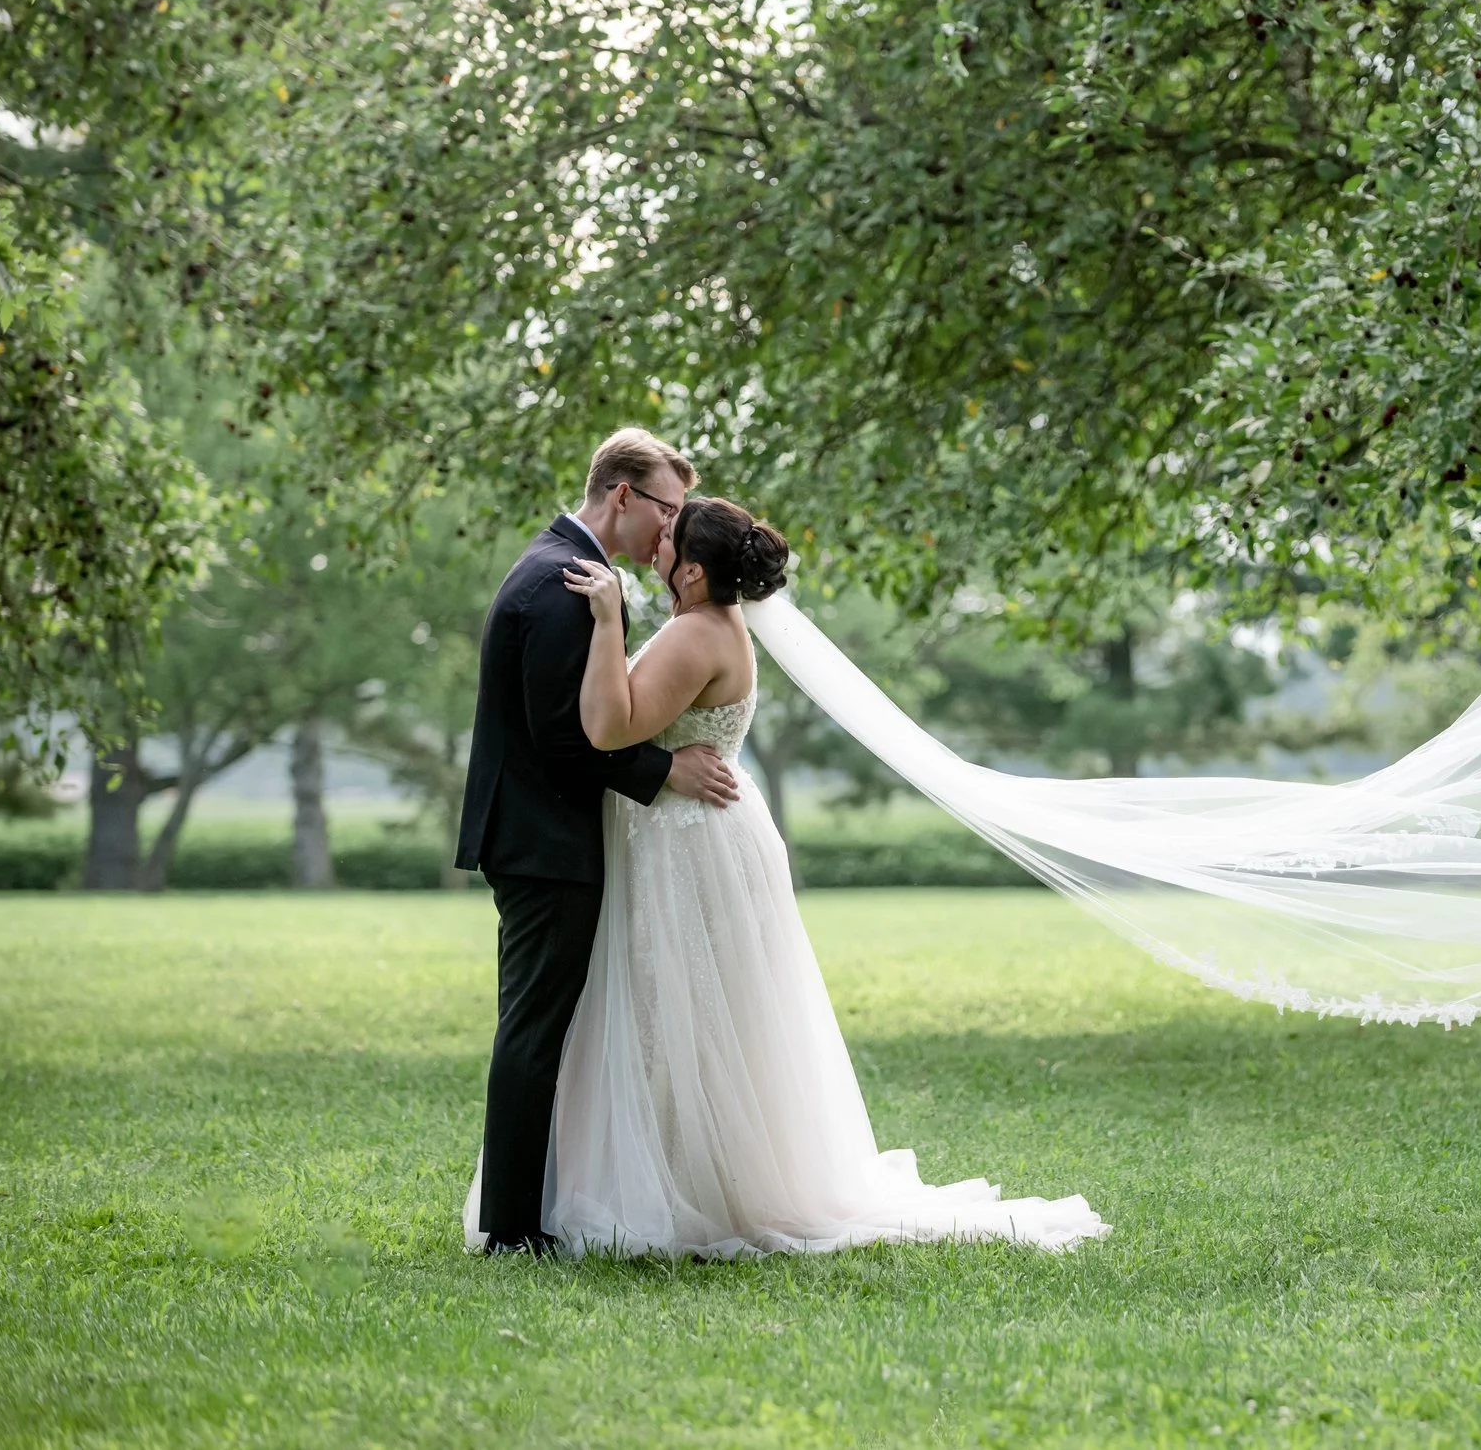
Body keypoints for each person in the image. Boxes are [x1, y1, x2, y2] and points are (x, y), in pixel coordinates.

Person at [464, 493, 1108, 1257]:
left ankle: (689, 1189)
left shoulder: (692, 635)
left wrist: (607, 626)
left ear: (694, 574)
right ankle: (679, 1176)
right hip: (700, 833)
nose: (655, 545)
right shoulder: (715, 624)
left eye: (669, 539)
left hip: (685, 845)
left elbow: (606, 726)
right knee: (695, 1020)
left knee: (685, 1018)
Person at [454, 429, 744, 1257]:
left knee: (547, 1028)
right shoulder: (561, 584)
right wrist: (663, 771)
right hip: (542, 840)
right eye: (666, 508)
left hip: (547, 834)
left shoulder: (574, 571)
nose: (671, 530)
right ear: (623, 496)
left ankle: (535, 1208)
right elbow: (563, 737)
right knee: (536, 1029)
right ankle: (512, 1229)